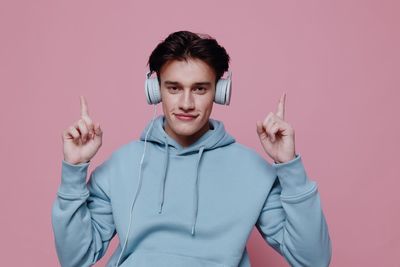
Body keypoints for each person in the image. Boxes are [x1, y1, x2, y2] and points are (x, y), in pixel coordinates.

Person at [52, 30, 332, 267]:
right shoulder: (121, 165)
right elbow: (76, 259)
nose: (186, 103)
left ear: (220, 92)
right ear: (155, 90)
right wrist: (73, 172)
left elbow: (313, 260)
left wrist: (289, 166)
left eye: (199, 89)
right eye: (173, 88)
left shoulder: (253, 171)